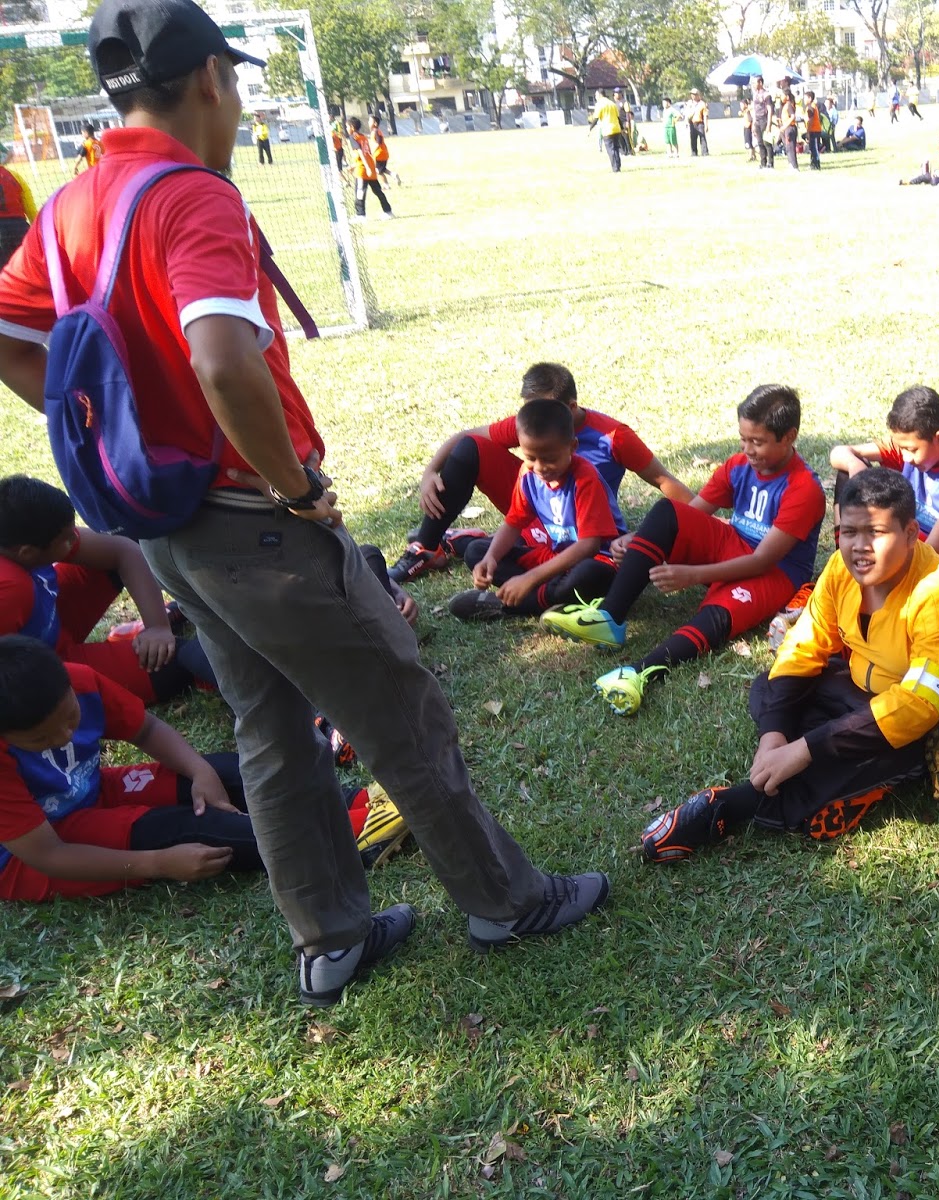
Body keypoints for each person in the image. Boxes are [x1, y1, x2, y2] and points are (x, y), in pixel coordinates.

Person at [0, 0, 609, 1005]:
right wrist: (294, 485)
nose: (238, 103)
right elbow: (222, 360)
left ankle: (331, 939)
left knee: (270, 724)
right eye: (236, 82)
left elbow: (13, 335)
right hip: (257, 526)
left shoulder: (70, 205)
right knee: (398, 713)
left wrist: (121, 437)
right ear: (210, 79)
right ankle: (506, 901)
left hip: (173, 530)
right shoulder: (189, 197)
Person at [638, 469, 939, 859]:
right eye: (849, 532)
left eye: (876, 532)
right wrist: (774, 736)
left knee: (894, 740)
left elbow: (919, 706)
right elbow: (804, 646)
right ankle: (830, 769)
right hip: (871, 690)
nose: (860, 547)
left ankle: (731, 807)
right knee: (770, 688)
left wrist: (803, 750)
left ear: (910, 534)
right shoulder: (840, 569)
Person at [0, 637, 408, 903]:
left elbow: (146, 729)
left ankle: (357, 801)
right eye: (41, 738)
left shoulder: (80, 681)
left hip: (91, 791)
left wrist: (199, 771)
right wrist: (158, 863)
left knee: (225, 773)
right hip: (38, 851)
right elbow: (49, 855)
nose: (65, 735)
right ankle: (349, 837)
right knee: (183, 828)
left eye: (70, 718)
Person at [541, 384, 826, 718]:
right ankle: (609, 617)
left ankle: (638, 673)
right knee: (667, 511)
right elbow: (693, 511)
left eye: (757, 442)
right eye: (743, 439)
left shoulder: (804, 489)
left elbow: (762, 560)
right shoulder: (738, 465)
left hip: (775, 574)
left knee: (716, 616)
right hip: (735, 546)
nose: (748, 449)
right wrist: (636, 539)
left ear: (789, 437)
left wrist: (693, 575)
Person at [388, 362, 691, 582]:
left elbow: (665, 482)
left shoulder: (613, 436)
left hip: (581, 530)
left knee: (583, 572)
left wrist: (701, 520)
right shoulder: (533, 423)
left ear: (570, 408)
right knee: (470, 449)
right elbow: (465, 437)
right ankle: (427, 547)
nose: (534, 419)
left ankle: (468, 543)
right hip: (534, 514)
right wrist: (430, 471)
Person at [0, 475, 215, 703]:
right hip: (42, 665)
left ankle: (167, 617)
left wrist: (157, 627)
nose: (75, 537)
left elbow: (123, 551)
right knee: (170, 658)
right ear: (26, 553)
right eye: (66, 538)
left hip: (47, 621)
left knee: (120, 536)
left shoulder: (17, 541)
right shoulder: (10, 591)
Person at [446, 399, 622, 622]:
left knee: (588, 574)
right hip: (555, 559)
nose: (540, 467)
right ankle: (548, 599)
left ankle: (509, 605)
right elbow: (513, 524)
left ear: (572, 447)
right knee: (476, 551)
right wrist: (491, 558)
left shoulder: (585, 478)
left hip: (598, 561)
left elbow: (589, 546)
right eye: (530, 458)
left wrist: (530, 578)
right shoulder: (528, 475)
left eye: (550, 459)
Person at [829, 385, 939, 578]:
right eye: (902, 448)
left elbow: (933, 547)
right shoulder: (908, 448)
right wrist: (857, 469)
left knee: (888, 535)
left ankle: (864, 571)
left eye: (912, 450)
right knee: (847, 474)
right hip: (908, 538)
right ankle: (844, 562)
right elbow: (839, 453)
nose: (905, 457)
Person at [346, 117, 392, 220]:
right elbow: (367, 154)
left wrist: (366, 168)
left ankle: (360, 215)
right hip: (369, 167)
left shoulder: (353, 137)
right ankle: (388, 211)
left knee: (360, 192)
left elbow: (360, 152)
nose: (346, 128)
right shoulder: (363, 137)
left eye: (347, 126)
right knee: (378, 191)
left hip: (363, 170)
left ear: (352, 127)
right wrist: (354, 166)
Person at [0, 144, 37, 268]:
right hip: (20, 228)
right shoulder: (15, 176)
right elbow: (30, 208)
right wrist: (36, 228)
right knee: (28, 267)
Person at [590, 88, 626, 173]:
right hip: (616, 129)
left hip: (607, 130)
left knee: (611, 149)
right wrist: (622, 128)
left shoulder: (599, 104)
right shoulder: (612, 103)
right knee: (616, 148)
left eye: (596, 95)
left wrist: (590, 128)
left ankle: (615, 169)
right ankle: (618, 166)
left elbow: (596, 118)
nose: (595, 97)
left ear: (599, 95)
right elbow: (618, 118)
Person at [750, 76, 774, 169]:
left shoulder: (766, 94)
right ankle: (763, 162)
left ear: (760, 83)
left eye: (755, 82)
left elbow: (770, 109)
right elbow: (754, 109)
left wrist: (769, 124)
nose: (753, 85)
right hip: (757, 120)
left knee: (767, 142)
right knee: (760, 142)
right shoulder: (755, 94)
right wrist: (753, 123)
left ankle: (770, 163)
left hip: (764, 119)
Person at [778, 79, 800, 170]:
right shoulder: (784, 105)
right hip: (787, 128)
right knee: (788, 147)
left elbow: (792, 116)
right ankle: (791, 164)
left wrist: (785, 126)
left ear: (787, 96)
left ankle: (794, 166)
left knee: (791, 147)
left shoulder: (789, 105)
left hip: (790, 128)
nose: (781, 97)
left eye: (782, 95)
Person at [804, 90, 823, 170]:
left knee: (815, 148)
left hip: (814, 130)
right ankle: (813, 164)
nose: (804, 100)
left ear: (810, 98)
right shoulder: (811, 106)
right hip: (813, 130)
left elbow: (810, 120)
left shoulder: (811, 107)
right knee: (812, 148)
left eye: (805, 98)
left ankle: (816, 165)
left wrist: (808, 132)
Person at [686, 89, 708, 157]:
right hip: (692, 123)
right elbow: (687, 113)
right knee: (693, 138)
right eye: (692, 94)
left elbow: (705, 115)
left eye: (695, 94)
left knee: (702, 138)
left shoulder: (702, 104)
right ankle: (694, 153)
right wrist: (686, 122)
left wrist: (706, 125)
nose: (693, 96)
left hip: (700, 123)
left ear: (698, 95)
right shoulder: (689, 103)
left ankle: (704, 152)